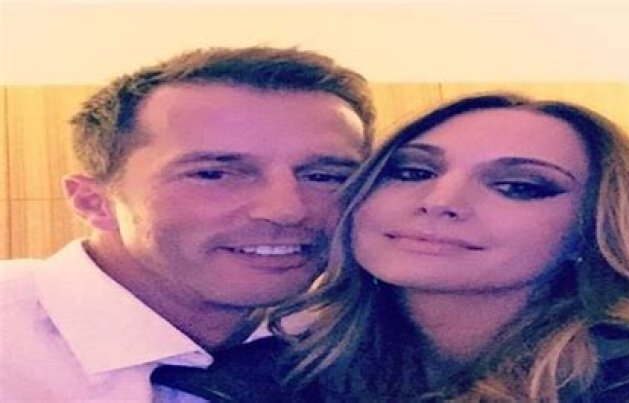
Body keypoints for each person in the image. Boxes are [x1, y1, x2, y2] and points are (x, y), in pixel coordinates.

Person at [153, 93, 629, 402]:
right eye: (411, 171)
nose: (440, 201)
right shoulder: (258, 382)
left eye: (519, 186)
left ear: (592, 229)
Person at [0, 46, 375, 401]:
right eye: (213, 174)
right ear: (93, 202)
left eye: (325, 177)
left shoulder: (355, 339)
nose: (286, 210)